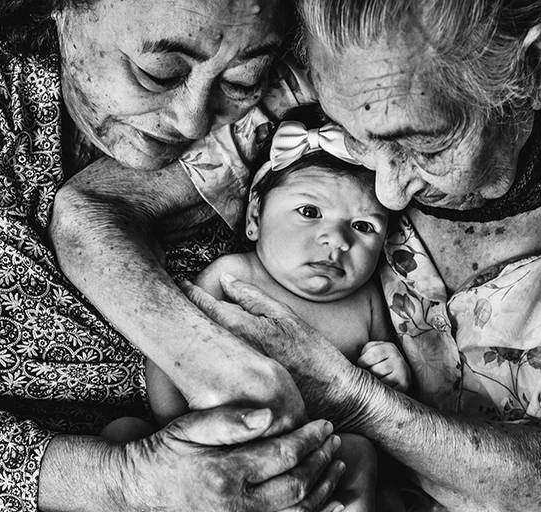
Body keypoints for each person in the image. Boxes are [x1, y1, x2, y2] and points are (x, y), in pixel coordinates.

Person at [52, 0, 541, 510]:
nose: (386, 194)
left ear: (534, 70)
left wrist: (353, 397)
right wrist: (213, 366)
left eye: (423, 144)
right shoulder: (340, 67)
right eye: (355, 137)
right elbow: (90, 212)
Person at [0, 1, 349, 510]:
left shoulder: (293, 121)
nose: (192, 121)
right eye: (158, 72)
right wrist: (125, 481)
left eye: (241, 81)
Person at [133, 114, 411, 512]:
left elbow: (386, 379)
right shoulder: (232, 276)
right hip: (222, 445)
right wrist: (174, 421)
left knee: (360, 455)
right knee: (125, 434)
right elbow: (170, 346)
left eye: (364, 226)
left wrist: (393, 370)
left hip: (317, 454)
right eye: (310, 211)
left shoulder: (367, 300)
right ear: (254, 217)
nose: (337, 239)